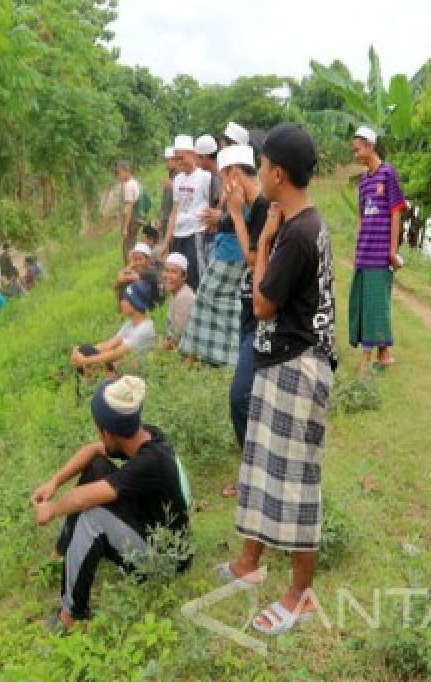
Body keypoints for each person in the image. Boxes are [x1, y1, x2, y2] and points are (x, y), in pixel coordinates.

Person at [217, 123, 337, 636]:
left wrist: (262, 238)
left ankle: (300, 594)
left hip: (298, 367)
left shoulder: (294, 233)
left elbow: (264, 304)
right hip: (282, 361)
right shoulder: (300, 221)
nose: (257, 173)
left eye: (262, 166)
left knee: (295, 481)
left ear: (278, 173)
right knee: (262, 465)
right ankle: (249, 562)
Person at [32, 376, 191, 630]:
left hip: (167, 560)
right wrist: (54, 482)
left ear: (108, 431)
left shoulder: (149, 463)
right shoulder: (143, 437)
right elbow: (94, 451)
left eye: (98, 429)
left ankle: (70, 617)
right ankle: (61, 553)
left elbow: (80, 498)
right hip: (148, 524)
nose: (98, 434)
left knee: (92, 517)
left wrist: (50, 509)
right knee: (96, 468)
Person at [220, 143, 269, 496]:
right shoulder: (255, 207)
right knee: (249, 395)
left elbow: (253, 261)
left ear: (234, 176)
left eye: (224, 180)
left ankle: (254, 474)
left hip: (263, 317)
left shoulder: (261, 208)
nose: (223, 190)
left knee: (240, 397)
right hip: (249, 311)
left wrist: (236, 215)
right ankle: (254, 470)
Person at [178, 142, 255, 367]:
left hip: (233, 252)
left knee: (207, 298)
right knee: (225, 302)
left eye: (224, 176)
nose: (221, 180)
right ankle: (221, 356)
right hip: (228, 249)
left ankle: (213, 355)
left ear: (235, 172)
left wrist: (220, 218)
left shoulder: (247, 194)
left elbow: (239, 218)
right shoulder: (236, 192)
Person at [349, 126, 407, 372]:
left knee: (376, 304)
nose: (355, 154)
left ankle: (366, 360)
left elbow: (396, 213)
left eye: (358, 149)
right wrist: (357, 249)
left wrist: (392, 251)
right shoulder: (364, 182)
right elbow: (362, 218)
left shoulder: (388, 174)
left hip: (381, 253)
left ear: (371, 146)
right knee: (365, 303)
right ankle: (384, 355)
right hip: (365, 252)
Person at [70, 281, 156, 375]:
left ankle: (90, 385)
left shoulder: (144, 329)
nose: (120, 303)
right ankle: (88, 382)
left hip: (135, 374)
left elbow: (117, 354)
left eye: (125, 299)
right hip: (123, 366)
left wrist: (85, 360)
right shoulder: (131, 323)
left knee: (89, 362)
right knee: (85, 350)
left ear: (135, 303)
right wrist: (79, 353)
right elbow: (109, 345)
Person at [161, 135, 211, 291]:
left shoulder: (205, 177)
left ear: (192, 154)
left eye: (181, 157)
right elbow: (175, 210)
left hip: (195, 234)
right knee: (176, 275)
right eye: (176, 159)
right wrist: (167, 240)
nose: (179, 162)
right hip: (178, 235)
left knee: (195, 275)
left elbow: (212, 207)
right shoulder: (177, 180)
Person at [113, 242, 162, 309]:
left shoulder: (151, 272)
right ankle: (123, 308)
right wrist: (130, 265)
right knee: (122, 285)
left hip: (153, 304)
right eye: (135, 259)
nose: (138, 262)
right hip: (141, 302)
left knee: (130, 282)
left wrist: (127, 271)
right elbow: (115, 285)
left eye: (140, 259)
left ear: (148, 260)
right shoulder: (135, 270)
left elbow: (127, 277)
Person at [161, 253, 194, 351]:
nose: (168, 276)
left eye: (174, 272)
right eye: (166, 270)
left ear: (184, 276)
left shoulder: (184, 297)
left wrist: (154, 352)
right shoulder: (177, 293)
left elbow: (177, 338)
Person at [118, 161, 143, 262]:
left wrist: (125, 227)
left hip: (131, 220)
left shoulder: (128, 185)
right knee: (133, 243)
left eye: (119, 173)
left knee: (127, 247)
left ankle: (130, 268)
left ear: (126, 172)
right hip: (137, 219)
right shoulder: (135, 182)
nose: (119, 176)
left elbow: (130, 207)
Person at [159, 146, 178, 239]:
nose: (165, 163)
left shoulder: (179, 176)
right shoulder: (170, 175)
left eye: (167, 160)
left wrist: (173, 187)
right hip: (166, 218)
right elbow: (165, 199)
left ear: (175, 160)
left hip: (173, 219)